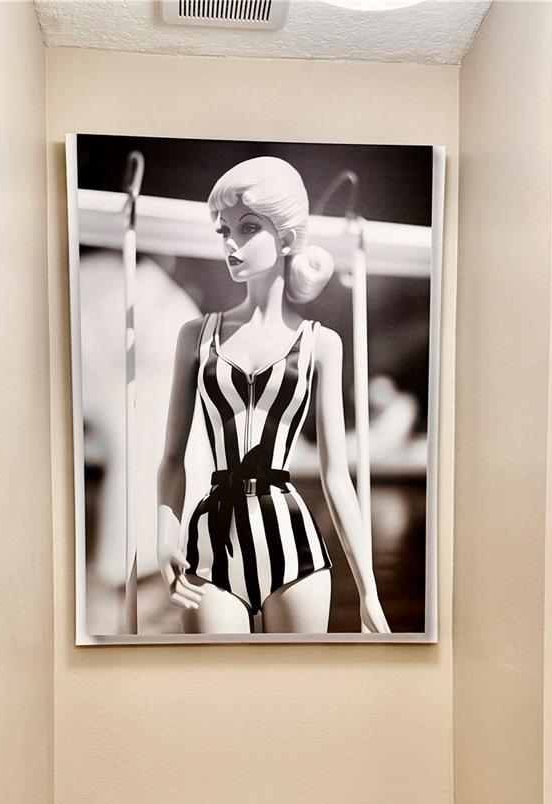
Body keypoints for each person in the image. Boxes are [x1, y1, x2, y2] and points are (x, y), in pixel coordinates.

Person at [157, 156, 390, 635]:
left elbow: (336, 476)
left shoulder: (320, 344)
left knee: (297, 682)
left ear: (285, 238)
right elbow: (172, 459)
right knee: (215, 681)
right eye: (224, 230)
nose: (231, 243)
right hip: (211, 547)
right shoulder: (196, 337)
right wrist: (164, 534)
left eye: (247, 228)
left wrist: (368, 589)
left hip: (294, 549)